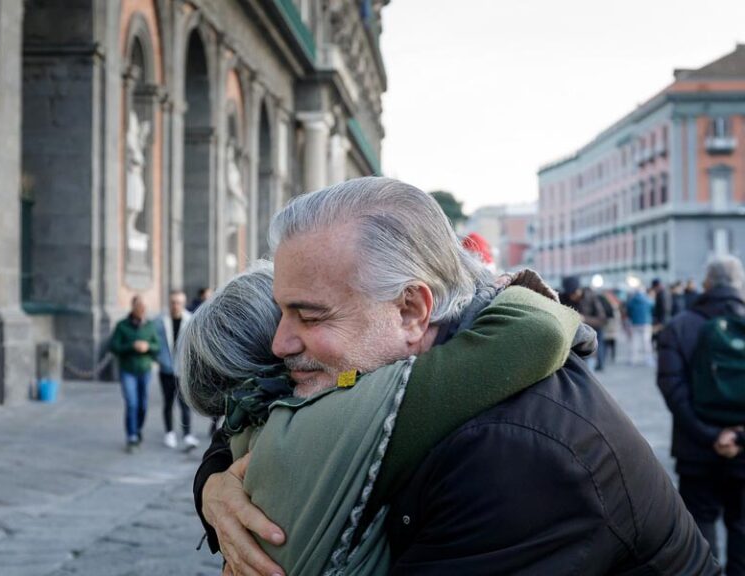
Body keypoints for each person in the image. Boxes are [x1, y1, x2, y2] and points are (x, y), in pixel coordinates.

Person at [196, 177, 718, 575]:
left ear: (410, 311)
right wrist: (215, 487)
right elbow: (264, 409)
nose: (279, 343)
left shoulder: (513, 453)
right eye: (282, 311)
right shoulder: (377, 371)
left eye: (310, 317)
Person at [179, 262, 583, 574]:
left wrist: (211, 485)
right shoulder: (354, 411)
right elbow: (537, 330)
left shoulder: (257, 428)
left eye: (308, 315)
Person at [657, 255, 745, 575]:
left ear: (706, 284)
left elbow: (672, 389)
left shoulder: (680, 326)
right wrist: (737, 436)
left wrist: (710, 436)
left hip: (696, 450)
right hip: (743, 448)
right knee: (742, 525)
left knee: (701, 526)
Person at [109, 295, 160, 452]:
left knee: (143, 405)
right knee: (132, 403)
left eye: (144, 307)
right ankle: (131, 435)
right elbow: (114, 346)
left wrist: (148, 347)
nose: (142, 310)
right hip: (128, 370)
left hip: (145, 369)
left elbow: (157, 346)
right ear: (133, 307)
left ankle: (137, 429)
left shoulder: (150, 326)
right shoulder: (122, 325)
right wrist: (132, 346)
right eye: (139, 307)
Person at [154, 290, 199, 451]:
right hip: (166, 369)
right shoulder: (159, 321)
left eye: (179, 302)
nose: (175, 305)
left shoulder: (191, 320)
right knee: (168, 402)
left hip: (182, 370)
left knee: (185, 403)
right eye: (173, 302)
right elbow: (154, 342)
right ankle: (169, 433)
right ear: (169, 303)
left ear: (183, 303)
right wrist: (158, 358)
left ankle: (187, 435)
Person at [560, 276, 608, 370]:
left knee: (596, 352)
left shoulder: (591, 297)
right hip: (577, 336)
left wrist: (584, 319)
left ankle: (600, 364)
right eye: (569, 294)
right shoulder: (564, 297)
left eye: (574, 293)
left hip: (594, 331)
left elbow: (602, 319)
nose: (572, 296)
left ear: (579, 289)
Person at [627, 287, 655, 367]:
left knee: (634, 342)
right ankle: (648, 359)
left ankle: (632, 359)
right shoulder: (648, 300)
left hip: (635, 323)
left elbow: (629, 311)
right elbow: (653, 309)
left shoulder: (632, 301)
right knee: (647, 342)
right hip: (646, 323)